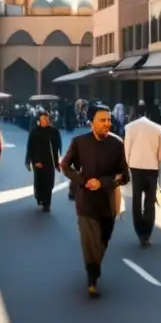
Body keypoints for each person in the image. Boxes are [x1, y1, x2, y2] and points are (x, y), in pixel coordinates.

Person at [61, 105, 129, 297]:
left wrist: (103, 182)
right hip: (86, 202)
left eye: (108, 119)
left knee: (102, 241)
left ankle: (94, 268)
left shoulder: (117, 144)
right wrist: (83, 181)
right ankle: (92, 278)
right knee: (90, 242)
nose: (108, 123)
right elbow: (65, 166)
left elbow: (124, 176)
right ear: (91, 123)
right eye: (102, 120)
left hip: (108, 203)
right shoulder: (79, 142)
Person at [123, 101, 161, 247]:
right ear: (148, 113)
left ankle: (139, 231)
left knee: (136, 200)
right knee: (150, 202)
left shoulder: (129, 128)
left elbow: (126, 149)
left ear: (135, 113)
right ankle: (147, 234)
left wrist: (123, 168)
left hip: (135, 168)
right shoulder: (158, 128)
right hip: (152, 168)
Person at [25, 111, 62, 212]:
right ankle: (39, 197)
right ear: (39, 121)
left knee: (49, 182)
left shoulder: (54, 131)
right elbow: (30, 147)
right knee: (39, 182)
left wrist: (57, 163)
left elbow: (57, 147)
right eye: (42, 119)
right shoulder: (34, 132)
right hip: (37, 160)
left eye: (46, 119)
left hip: (49, 160)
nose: (45, 121)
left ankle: (47, 203)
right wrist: (29, 161)